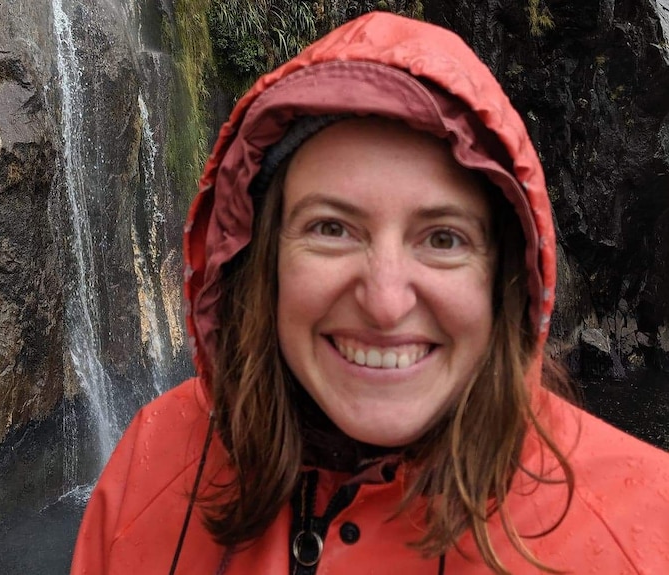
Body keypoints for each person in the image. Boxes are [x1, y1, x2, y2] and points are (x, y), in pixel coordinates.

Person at [70, 11, 669, 575]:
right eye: (331, 228)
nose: (385, 303)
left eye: (443, 238)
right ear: (262, 261)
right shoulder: (148, 464)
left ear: (504, 277)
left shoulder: (645, 532)